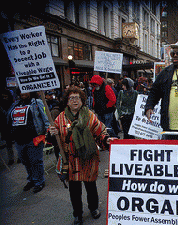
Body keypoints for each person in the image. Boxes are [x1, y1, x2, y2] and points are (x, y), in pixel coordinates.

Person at [49, 86, 115, 224]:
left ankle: (94, 208)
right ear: (67, 101)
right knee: (74, 191)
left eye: (77, 97)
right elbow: (52, 140)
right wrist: (51, 134)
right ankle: (77, 214)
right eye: (71, 98)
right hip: (71, 160)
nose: (74, 100)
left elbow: (100, 132)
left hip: (88, 159)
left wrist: (105, 139)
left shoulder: (90, 116)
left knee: (91, 187)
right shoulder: (60, 119)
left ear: (82, 100)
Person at [7, 90, 49, 193]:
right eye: (21, 92)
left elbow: (45, 116)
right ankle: (31, 179)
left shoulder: (37, 102)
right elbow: (9, 118)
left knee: (35, 161)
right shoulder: (15, 104)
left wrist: (48, 131)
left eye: (25, 91)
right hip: (19, 138)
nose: (23, 94)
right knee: (25, 160)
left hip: (34, 137)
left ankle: (39, 181)